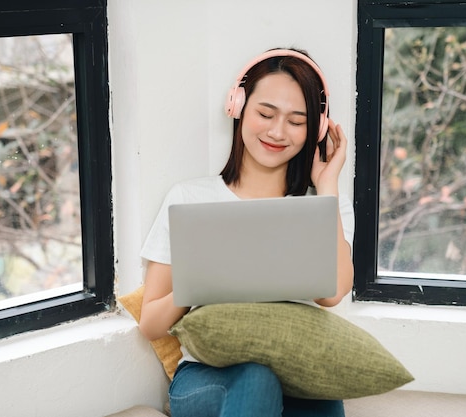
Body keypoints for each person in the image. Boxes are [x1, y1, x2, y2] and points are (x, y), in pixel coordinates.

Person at [138, 48, 354, 417]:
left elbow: (332, 294)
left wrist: (328, 185)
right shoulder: (190, 198)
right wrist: (205, 279)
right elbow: (151, 324)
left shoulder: (323, 205)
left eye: (297, 121)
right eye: (265, 114)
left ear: (316, 129)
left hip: (293, 371)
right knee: (257, 378)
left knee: (321, 400)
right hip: (206, 377)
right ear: (238, 107)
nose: (276, 131)